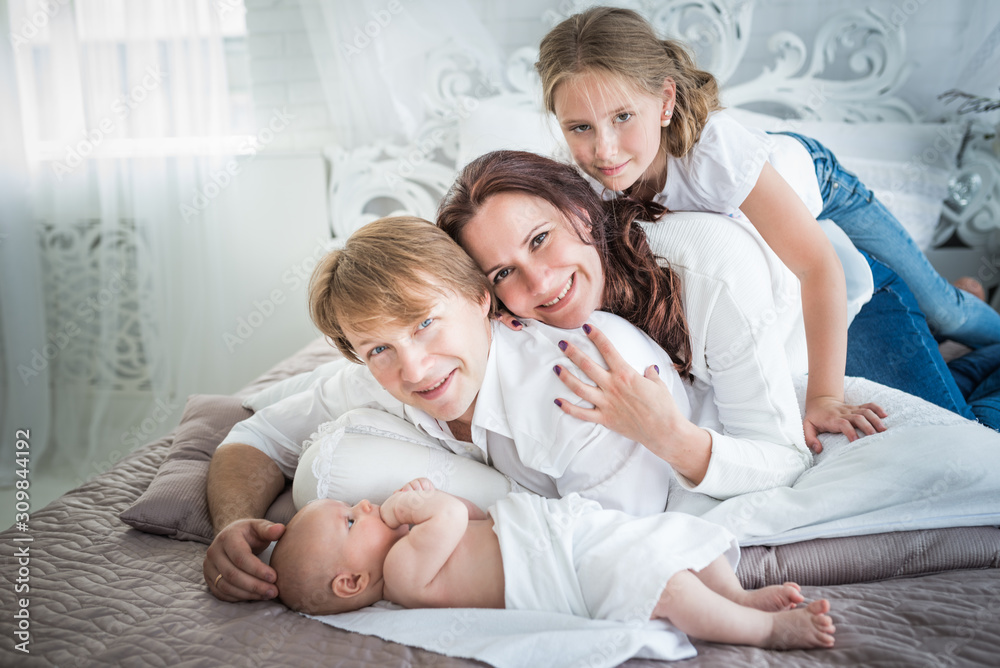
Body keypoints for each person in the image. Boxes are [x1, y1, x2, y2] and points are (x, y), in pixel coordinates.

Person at [532, 7, 1000, 430]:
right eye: (580, 127)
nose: (604, 150)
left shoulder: (715, 155)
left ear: (666, 102)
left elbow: (816, 266)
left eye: (623, 117)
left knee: (942, 307)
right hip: (754, 201)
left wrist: (824, 397)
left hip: (815, 182)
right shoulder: (583, 184)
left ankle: (972, 309)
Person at [205, 215, 690, 603]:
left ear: (481, 297)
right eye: (378, 349)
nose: (414, 370)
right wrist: (232, 524)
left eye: (425, 323)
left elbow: (623, 556)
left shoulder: (577, 388)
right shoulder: (375, 381)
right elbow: (256, 439)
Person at [437, 148, 1000, 478]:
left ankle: (963, 323)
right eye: (502, 272)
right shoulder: (511, 318)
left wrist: (670, 438)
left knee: (971, 446)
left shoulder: (705, 268)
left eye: (539, 240)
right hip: (756, 343)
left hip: (847, 318)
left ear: (582, 211)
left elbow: (783, 455)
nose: (537, 283)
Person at [270, 478, 836, 650]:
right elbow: (448, 518)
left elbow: (467, 514)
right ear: (352, 582)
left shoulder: (403, 547)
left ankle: (734, 596)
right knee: (663, 587)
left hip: (569, 536)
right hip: (561, 574)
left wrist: (438, 504)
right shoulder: (400, 574)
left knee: (679, 536)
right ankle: (764, 630)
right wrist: (426, 506)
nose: (365, 505)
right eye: (351, 520)